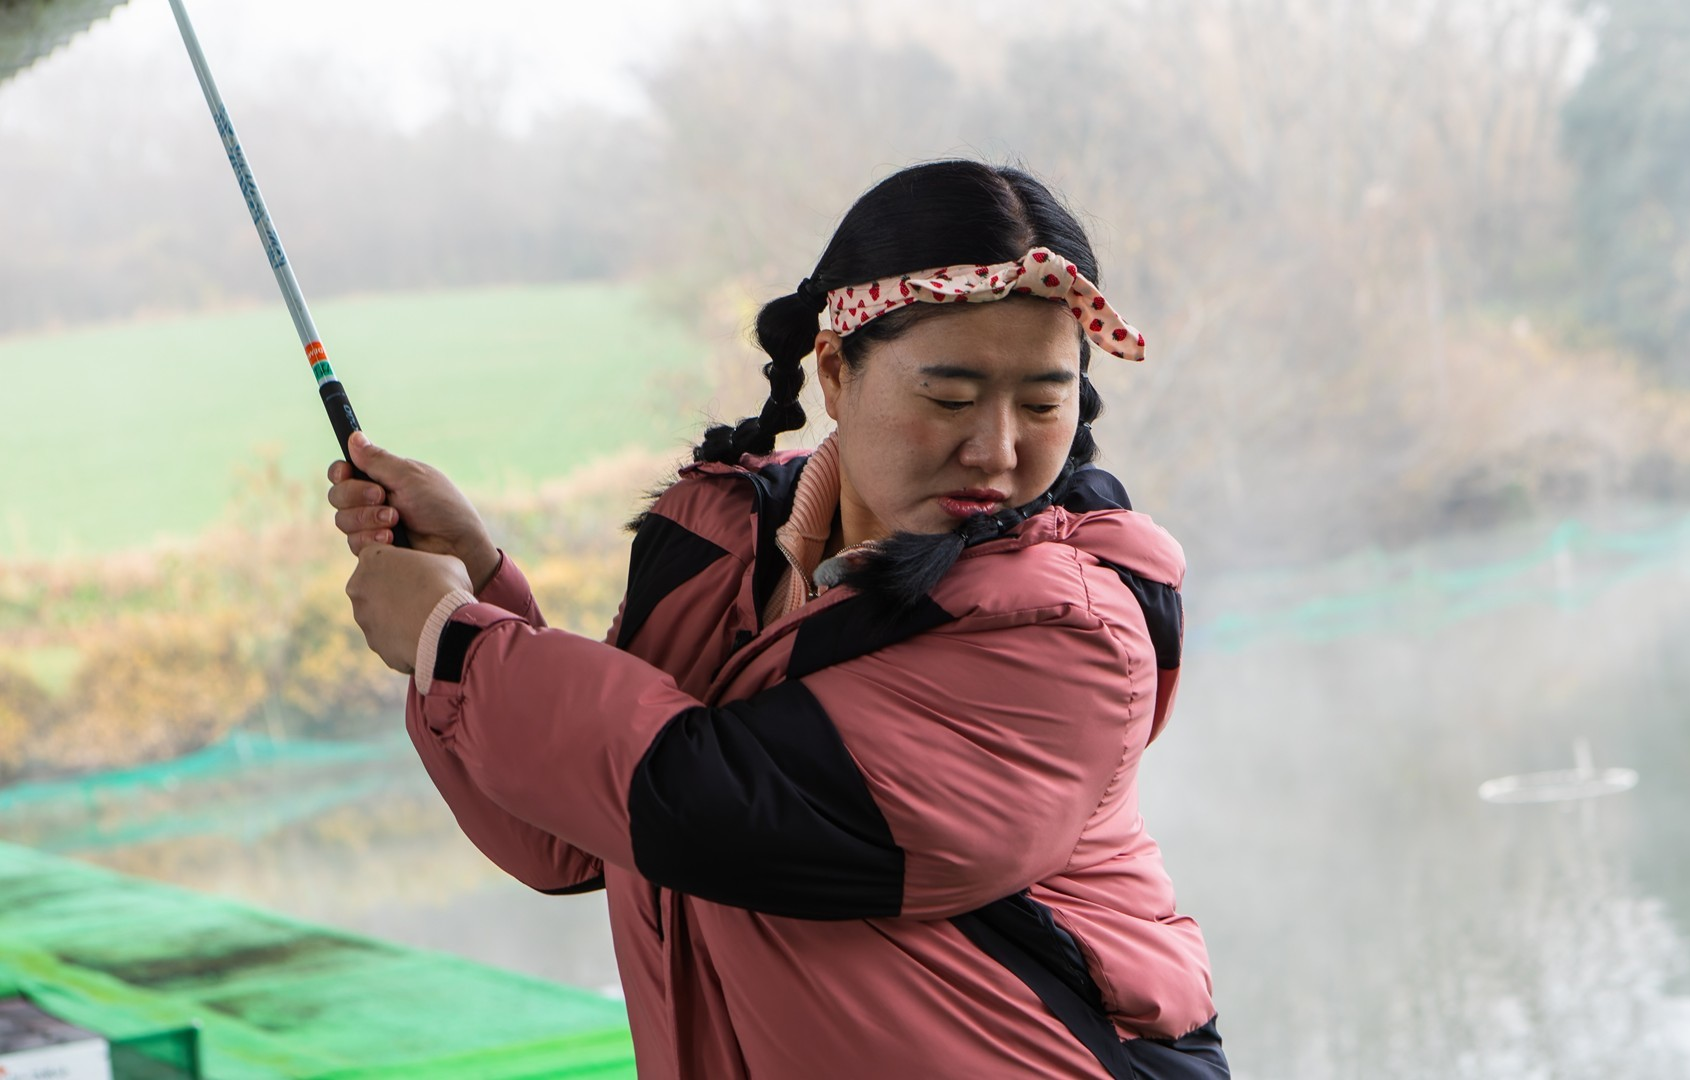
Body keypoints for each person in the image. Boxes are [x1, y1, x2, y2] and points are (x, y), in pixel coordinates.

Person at [329, 160, 1226, 1078]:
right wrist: (476, 584)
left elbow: (719, 807)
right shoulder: (717, 542)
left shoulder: (1067, 629)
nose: (997, 449)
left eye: (1042, 403)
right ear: (836, 371)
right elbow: (571, 832)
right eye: (951, 399)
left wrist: (454, 642)